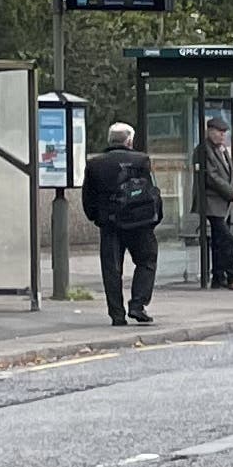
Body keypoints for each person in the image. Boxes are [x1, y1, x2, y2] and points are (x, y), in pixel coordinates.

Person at [79, 121, 162, 326]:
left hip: (110, 224)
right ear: (129, 141)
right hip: (140, 223)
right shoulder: (142, 160)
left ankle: (117, 314)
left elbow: (87, 197)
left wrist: (96, 217)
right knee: (147, 261)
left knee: (111, 269)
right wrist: (154, 218)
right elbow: (151, 191)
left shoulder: (95, 164)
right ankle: (138, 304)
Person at [191, 113, 233, 290]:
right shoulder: (203, 149)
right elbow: (211, 177)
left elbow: (230, 174)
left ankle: (218, 277)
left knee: (218, 240)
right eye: (219, 132)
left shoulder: (222, 150)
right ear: (209, 131)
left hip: (223, 203)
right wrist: (232, 193)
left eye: (224, 132)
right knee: (226, 238)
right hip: (211, 202)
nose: (222, 135)